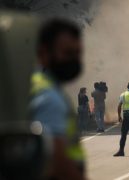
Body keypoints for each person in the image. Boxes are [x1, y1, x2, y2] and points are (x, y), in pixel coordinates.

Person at [29, 19, 85, 180]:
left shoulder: (36, 84)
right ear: (43, 53)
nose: (74, 60)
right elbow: (58, 160)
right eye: (67, 53)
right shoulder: (49, 97)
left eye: (77, 53)